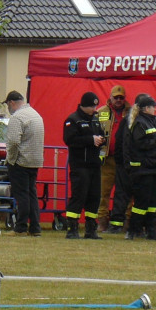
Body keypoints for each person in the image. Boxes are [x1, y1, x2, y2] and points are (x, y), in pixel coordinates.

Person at [63, 91, 107, 239]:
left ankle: (91, 229)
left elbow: (101, 134)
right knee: (79, 195)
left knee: (94, 196)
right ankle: (72, 228)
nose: (94, 109)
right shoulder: (73, 120)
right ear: (84, 105)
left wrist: (101, 139)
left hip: (94, 165)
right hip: (80, 165)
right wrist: (90, 140)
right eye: (92, 107)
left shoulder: (95, 119)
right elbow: (70, 140)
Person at [124, 94, 156, 241]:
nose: (155, 109)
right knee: (142, 201)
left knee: (154, 202)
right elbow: (140, 144)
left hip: (154, 168)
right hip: (143, 169)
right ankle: (133, 230)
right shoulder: (139, 123)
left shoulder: (154, 122)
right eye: (153, 107)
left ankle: (151, 230)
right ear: (146, 108)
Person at [4, 90, 45, 236]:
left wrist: (11, 159)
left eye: (8, 105)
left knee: (22, 195)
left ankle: (21, 227)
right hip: (35, 160)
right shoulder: (36, 114)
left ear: (11, 103)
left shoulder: (17, 117)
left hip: (21, 161)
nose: (8, 108)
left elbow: (14, 142)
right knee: (32, 194)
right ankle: (35, 228)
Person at [95, 86, 129, 232]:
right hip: (106, 159)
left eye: (121, 97)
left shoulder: (132, 112)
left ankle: (126, 221)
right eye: (116, 97)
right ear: (110, 98)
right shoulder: (100, 112)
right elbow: (93, 130)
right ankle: (102, 220)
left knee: (126, 192)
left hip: (125, 160)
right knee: (103, 192)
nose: (119, 100)